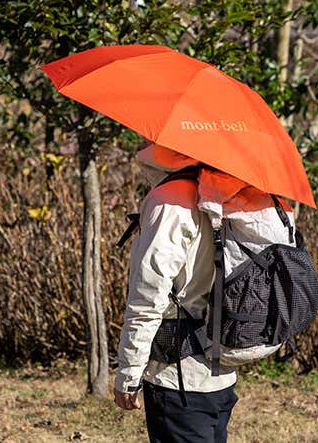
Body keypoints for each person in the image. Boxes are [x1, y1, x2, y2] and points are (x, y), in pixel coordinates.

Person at [113, 144, 238, 443]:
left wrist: (129, 373)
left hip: (177, 377)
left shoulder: (170, 202)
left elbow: (148, 297)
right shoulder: (226, 193)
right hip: (220, 372)